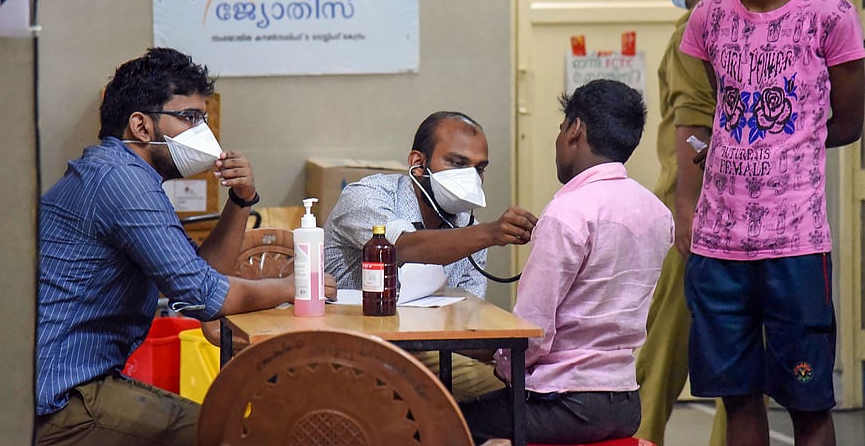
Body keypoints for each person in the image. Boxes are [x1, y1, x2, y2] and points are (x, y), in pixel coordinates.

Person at [35, 47, 337, 446]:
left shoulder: (118, 173)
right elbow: (204, 295)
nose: (204, 133)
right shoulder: (122, 181)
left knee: (230, 422)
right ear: (141, 127)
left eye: (204, 118)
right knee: (236, 433)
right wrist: (300, 284)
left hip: (78, 386)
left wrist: (240, 199)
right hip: (63, 402)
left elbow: (202, 279)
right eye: (189, 118)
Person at [680, 0, 865, 446]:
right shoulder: (708, 17)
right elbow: (721, 114)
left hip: (796, 245)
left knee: (808, 403)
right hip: (719, 244)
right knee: (738, 400)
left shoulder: (831, 14)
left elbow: (849, 122)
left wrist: (787, 146)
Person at [459, 79, 674, 444]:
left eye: (561, 129)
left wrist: (502, 368)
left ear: (575, 130)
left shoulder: (568, 213)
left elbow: (533, 334)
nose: (558, 140)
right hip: (624, 402)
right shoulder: (657, 213)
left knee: (449, 415)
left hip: (565, 404)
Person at [323, 110, 538, 399]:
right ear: (418, 163)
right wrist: (490, 233)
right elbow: (403, 247)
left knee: (516, 389)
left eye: (479, 168)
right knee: (501, 398)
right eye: (457, 163)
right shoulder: (367, 195)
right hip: (348, 349)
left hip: (424, 349)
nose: (470, 178)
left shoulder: (468, 228)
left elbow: (466, 325)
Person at [634, 0, 730, 446]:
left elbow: (692, 125)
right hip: (751, 209)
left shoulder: (693, 28)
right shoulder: (752, 21)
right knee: (740, 347)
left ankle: (641, 435)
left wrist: (686, 211)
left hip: (691, 202)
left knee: (666, 334)